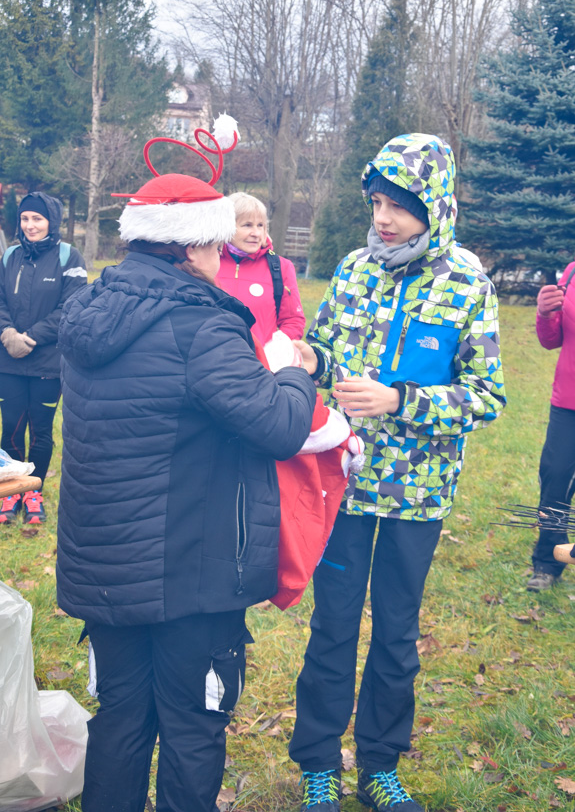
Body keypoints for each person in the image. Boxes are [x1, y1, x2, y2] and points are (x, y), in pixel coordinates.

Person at [56, 155, 316, 812]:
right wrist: (291, 367)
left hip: (106, 565)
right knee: (192, 727)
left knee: (119, 719)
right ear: (195, 245)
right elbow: (280, 425)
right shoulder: (202, 326)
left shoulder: (86, 311)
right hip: (189, 575)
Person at [289, 133, 506, 812]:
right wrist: (305, 357)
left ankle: (380, 764)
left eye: (399, 205)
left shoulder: (467, 282)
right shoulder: (354, 269)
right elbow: (324, 349)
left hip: (417, 497)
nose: (383, 217)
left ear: (433, 206)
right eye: (377, 202)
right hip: (344, 484)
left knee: (394, 630)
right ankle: (319, 762)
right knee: (332, 625)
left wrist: (401, 400)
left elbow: (486, 394)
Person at [0, 192, 86, 525]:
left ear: (52, 220)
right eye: (25, 218)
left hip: (48, 362)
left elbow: (72, 306)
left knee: (41, 432)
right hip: (9, 358)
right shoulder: (9, 256)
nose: (30, 225)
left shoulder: (69, 256)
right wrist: (7, 333)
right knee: (10, 429)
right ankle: (10, 491)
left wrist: (33, 337)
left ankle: (32, 492)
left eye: (37, 218)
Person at [526, 262, 575, 591]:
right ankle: (548, 561)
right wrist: (545, 314)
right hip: (568, 401)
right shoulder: (571, 272)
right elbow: (550, 339)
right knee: (555, 478)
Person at [216, 191, 305, 344]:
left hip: (259, 364)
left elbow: (293, 321)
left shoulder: (280, 268)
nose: (256, 233)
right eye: (247, 225)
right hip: (212, 362)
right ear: (227, 226)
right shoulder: (207, 264)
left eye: (260, 226)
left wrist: (274, 351)